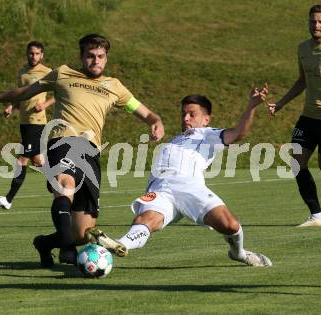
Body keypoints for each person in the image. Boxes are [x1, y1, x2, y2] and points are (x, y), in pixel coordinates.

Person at [0, 34, 164, 267]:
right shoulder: (62, 74)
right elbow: (24, 93)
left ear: (106, 58)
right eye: (90, 56)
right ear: (82, 57)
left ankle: (45, 243)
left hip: (91, 153)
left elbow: (143, 111)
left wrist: (156, 121)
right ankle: (67, 248)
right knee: (65, 185)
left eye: (100, 56)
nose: (96, 61)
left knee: (83, 233)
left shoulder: (114, 87)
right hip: (63, 143)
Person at [87, 85, 273, 267]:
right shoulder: (174, 140)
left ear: (206, 119)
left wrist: (252, 106)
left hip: (190, 188)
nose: (185, 118)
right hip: (161, 190)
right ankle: (121, 244)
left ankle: (238, 252)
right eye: (183, 113)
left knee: (230, 226)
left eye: (192, 114)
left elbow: (239, 133)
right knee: (147, 219)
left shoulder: (206, 135)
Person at [268, 5, 321, 227]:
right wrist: (280, 103)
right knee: (297, 163)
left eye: (320, 22)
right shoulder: (303, 49)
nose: (316, 25)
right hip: (308, 116)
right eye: (312, 21)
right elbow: (302, 81)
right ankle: (317, 216)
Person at [0, 41, 54, 210]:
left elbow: (60, 94)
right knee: (37, 159)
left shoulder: (48, 72)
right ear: (27, 53)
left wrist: (45, 105)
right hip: (24, 122)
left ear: (42, 55)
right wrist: (12, 106)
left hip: (37, 122)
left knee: (21, 159)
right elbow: (21, 95)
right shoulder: (22, 73)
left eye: (37, 53)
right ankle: (59, 185)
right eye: (31, 53)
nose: (34, 56)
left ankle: (8, 199)